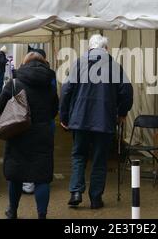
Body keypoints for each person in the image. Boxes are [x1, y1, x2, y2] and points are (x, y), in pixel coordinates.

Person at [60, 34, 133, 209]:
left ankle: (76, 192)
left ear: (89, 49)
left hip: (79, 119)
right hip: (104, 120)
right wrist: (122, 113)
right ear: (105, 49)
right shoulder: (114, 66)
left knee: (79, 156)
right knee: (100, 159)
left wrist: (64, 116)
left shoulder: (78, 64)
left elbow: (66, 90)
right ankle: (95, 198)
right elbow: (127, 92)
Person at [0, 51, 59, 219]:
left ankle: (12, 211)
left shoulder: (15, 83)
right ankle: (42, 215)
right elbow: (54, 111)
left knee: (16, 175)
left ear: (24, 64)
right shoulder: (50, 86)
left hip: (18, 134)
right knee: (42, 177)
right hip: (43, 135)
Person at [22, 48, 57, 195]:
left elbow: (1, 107)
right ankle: (41, 211)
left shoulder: (19, 79)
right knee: (42, 157)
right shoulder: (50, 79)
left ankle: (27, 183)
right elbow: (55, 105)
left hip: (23, 124)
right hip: (45, 124)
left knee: (25, 154)